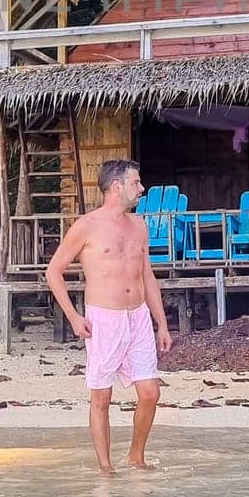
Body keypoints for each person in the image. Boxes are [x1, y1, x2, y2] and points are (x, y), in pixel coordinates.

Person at [45, 159, 172, 473]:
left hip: (138, 317)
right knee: (101, 396)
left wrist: (162, 324)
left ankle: (135, 456)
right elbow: (53, 272)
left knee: (150, 393)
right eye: (136, 182)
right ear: (117, 187)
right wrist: (74, 317)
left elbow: (148, 277)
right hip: (104, 319)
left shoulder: (139, 226)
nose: (141, 188)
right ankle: (105, 468)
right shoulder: (87, 225)